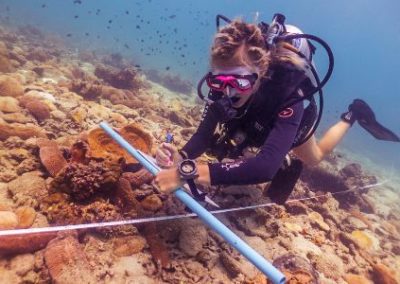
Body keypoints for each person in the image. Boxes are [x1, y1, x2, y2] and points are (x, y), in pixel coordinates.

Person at [153, 18, 399, 204]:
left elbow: (265, 168)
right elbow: (203, 136)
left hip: (286, 121)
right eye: (219, 81)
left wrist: (189, 172)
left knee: (314, 157)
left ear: (262, 74)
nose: (229, 91)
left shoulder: (289, 99)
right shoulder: (222, 87)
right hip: (254, 125)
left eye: (240, 82)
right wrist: (181, 155)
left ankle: (352, 115)